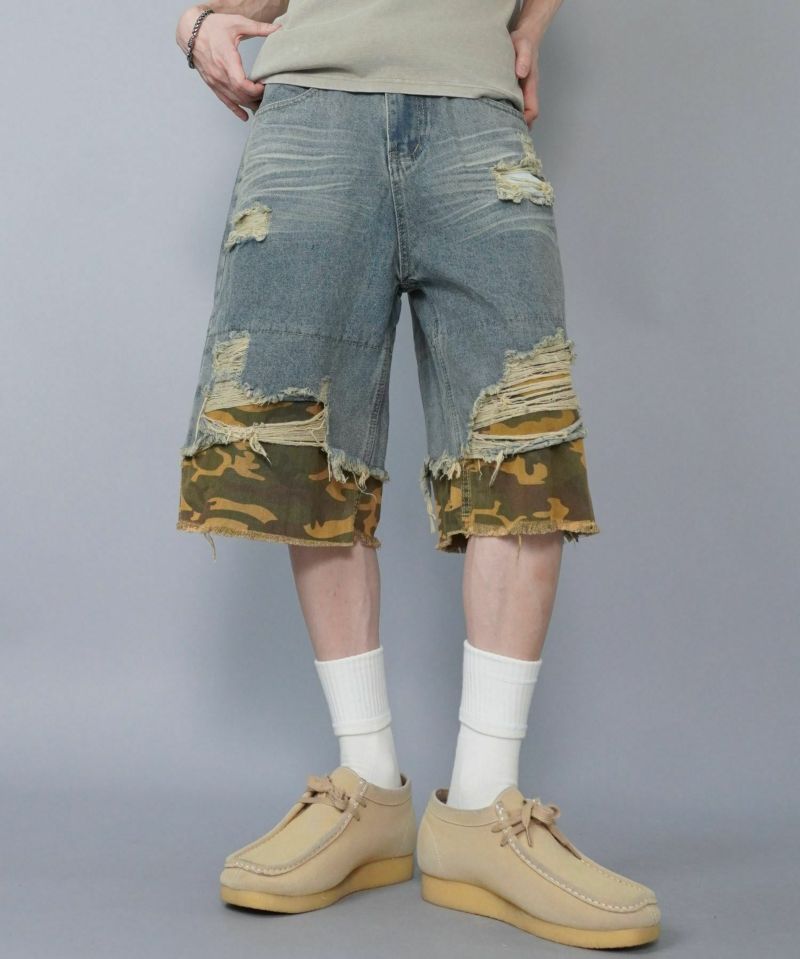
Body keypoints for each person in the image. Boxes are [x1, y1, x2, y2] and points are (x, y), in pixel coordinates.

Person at [173, 0, 660, 949]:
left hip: (475, 112)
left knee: (521, 448)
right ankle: (366, 786)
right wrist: (192, 25)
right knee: (303, 451)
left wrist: (533, 26)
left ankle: (482, 805)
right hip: (311, 113)